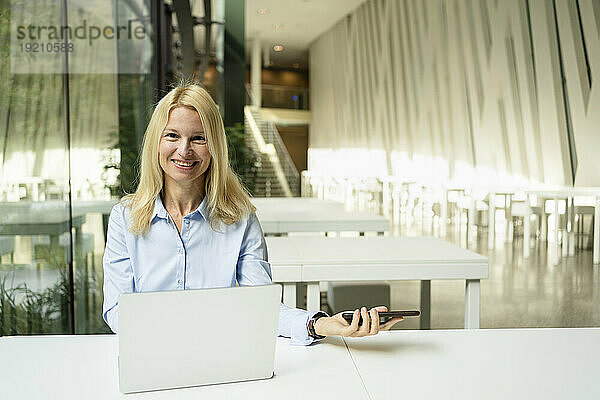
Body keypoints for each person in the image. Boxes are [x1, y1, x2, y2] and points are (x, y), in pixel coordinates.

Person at [102, 83, 403, 345]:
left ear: (214, 148)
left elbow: (261, 306)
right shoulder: (125, 218)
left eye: (198, 138)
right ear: (156, 142)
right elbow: (116, 310)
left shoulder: (240, 220)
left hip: (222, 358)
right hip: (151, 357)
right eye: (172, 136)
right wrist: (175, 338)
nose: (184, 150)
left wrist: (319, 324)